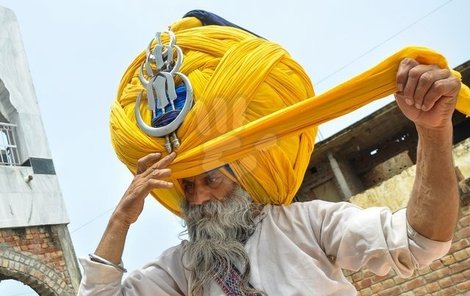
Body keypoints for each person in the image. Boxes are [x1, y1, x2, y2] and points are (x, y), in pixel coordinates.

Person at [77, 11, 463, 296]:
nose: (197, 198)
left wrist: (432, 131)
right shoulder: (182, 269)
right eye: (187, 186)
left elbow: (420, 242)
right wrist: (120, 220)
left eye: (211, 178)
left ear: (244, 176)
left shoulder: (306, 226)